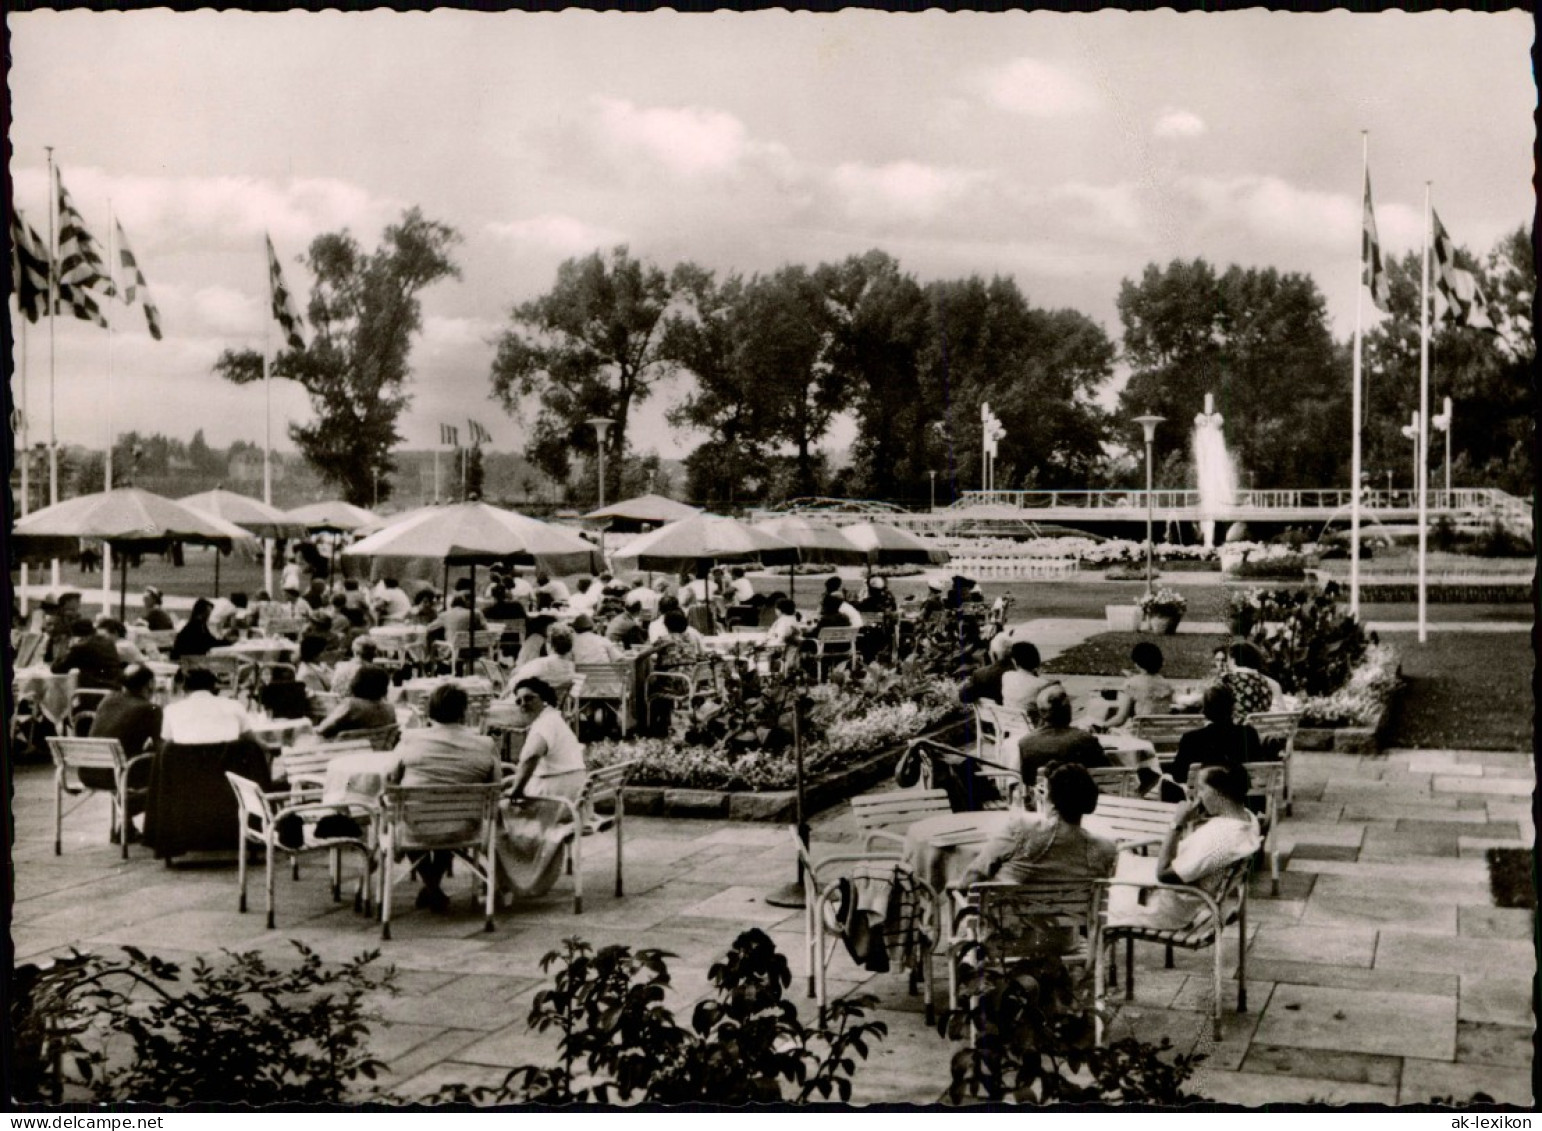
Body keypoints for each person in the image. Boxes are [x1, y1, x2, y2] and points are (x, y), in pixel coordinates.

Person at [1107, 763, 1261, 931]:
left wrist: (1177, 824)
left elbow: (1164, 874)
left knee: (1096, 889)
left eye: (1201, 789)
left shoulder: (1220, 837)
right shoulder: (1247, 818)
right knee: (1114, 858)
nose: (1196, 795)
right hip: (1179, 895)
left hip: (1166, 908)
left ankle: (1089, 944)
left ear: (1218, 792)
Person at [390, 684, 500, 914]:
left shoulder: (409, 740)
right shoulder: (485, 744)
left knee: (412, 813)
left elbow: (392, 781)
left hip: (415, 826)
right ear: (464, 711)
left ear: (429, 711)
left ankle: (431, 886)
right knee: (450, 810)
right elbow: (495, 788)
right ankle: (433, 887)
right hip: (464, 827)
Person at [497, 677, 588, 901]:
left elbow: (530, 757)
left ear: (545, 700)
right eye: (518, 701)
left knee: (497, 814)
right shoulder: (552, 720)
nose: (523, 704)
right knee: (504, 802)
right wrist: (515, 783)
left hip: (558, 798)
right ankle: (512, 877)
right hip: (571, 792)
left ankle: (514, 879)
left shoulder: (544, 724)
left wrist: (516, 790)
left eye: (529, 698)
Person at [961, 762, 1119, 888]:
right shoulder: (1106, 849)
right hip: (1072, 926)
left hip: (1006, 925)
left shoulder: (1021, 829)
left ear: (1050, 798)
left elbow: (974, 875)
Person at [84, 664, 163, 843]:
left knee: (129, 759)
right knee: (166, 766)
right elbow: (160, 744)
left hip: (88, 770)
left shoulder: (108, 700)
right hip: (119, 774)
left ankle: (126, 826)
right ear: (150, 684)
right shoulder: (149, 708)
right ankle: (132, 808)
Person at [1162, 684, 1264, 803]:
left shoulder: (1191, 739)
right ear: (1231, 707)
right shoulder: (1249, 734)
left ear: (1205, 710)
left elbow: (1178, 776)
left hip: (1204, 804)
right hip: (1242, 801)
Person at [1016, 685, 1108, 788]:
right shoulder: (1085, 740)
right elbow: (1105, 773)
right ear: (1068, 711)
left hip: (1044, 800)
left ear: (1041, 713)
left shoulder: (1026, 743)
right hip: (1081, 800)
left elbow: (1027, 781)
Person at [161, 666, 252, 744]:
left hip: (187, 763)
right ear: (214, 686)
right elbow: (251, 741)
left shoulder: (171, 710)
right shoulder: (235, 706)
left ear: (184, 688)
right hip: (226, 763)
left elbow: (166, 741)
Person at [1101, 642, 1176, 729]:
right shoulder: (1167, 684)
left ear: (1137, 664)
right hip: (1161, 732)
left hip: (1140, 734)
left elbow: (1121, 719)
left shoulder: (1131, 684)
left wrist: (1101, 726)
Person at [315, 663, 397, 738]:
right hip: (376, 750)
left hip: (345, 749)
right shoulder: (390, 708)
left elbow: (322, 729)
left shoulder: (351, 705)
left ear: (357, 681)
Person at [52, 619, 126, 690]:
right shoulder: (108, 643)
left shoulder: (81, 647)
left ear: (75, 635)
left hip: (93, 690)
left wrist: (63, 649)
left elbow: (58, 669)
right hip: (115, 686)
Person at [512, 625, 577, 698]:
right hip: (556, 706)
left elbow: (514, 684)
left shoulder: (539, 664)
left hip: (534, 706)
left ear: (549, 645)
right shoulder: (572, 669)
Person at [999, 641, 1058, 719]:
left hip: (1011, 725)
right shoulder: (1042, 685)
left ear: (1015, 661)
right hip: (1036, 728)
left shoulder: (1006, 676)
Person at [1225, 642, 1284, 715]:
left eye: (1227, 659)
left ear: (1233, 660)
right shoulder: (1268, 682)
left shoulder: (1229, 679)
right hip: (1261, 724)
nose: (1227, 664)